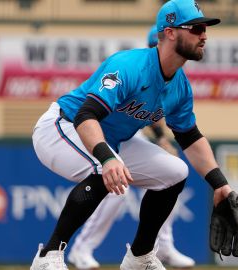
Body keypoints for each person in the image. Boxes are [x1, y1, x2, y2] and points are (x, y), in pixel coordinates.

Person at [30, 0, 234, 269]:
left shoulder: (180, 86)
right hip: (61, 127)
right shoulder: (129, 65)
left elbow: (190, 138)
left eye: (205, 28)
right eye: (196, 28)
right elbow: (85, 116)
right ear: (170, 32)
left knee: (174, 173)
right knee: (106, 170)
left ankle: (139, 257)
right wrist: (106, 158)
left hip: (113, 139)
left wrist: (220, 184)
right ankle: (49, 257)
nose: (204, 35)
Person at [67, 25, 195, 270]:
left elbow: (155, 111)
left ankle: (163, 246)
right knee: (117, 187)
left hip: (127, 138)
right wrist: (159, 137)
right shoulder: (134, 67)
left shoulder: (173, 80)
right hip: (101, 133)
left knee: (171, 174)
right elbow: (96, 112)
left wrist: (161, 139)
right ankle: (81, 249)